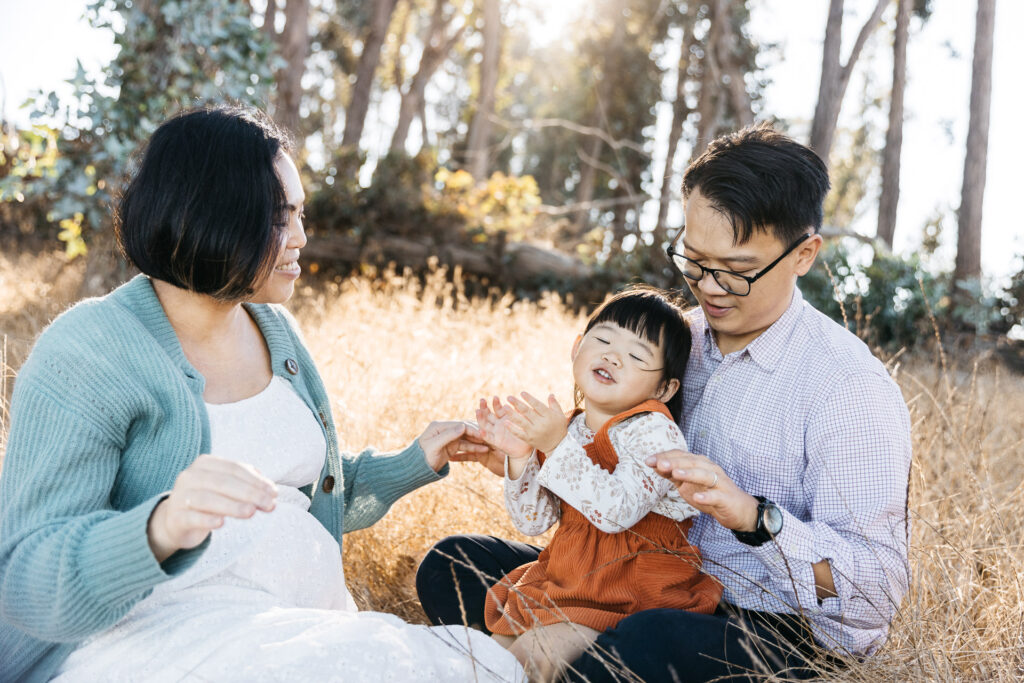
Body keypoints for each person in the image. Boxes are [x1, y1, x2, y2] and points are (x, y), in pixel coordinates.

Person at [0, 105, 522, 683]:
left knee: (466, 668)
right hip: (155, 645)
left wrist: (412, 462)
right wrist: (160, 528)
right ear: (211, 215)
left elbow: (295, 499)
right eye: (280, 217)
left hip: (301, 626)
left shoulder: (277, 333)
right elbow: (26, 576)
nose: (301, 236)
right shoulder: (90, 350)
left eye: (300, 213)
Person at [416, 124, 913, 681]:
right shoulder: (673, 342)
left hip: (767, 623)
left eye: (739, 271)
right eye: (694, 261)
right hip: (631, 577)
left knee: (647, 643)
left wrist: (754, 517)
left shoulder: (848, 387)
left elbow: (876, 593)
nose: (711, 287)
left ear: (804, 255)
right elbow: (600, 465)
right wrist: (530, 460)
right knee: (451, 566)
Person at [472, 289, 722, 681]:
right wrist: (521, 456)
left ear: (664, 389)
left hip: (629, 590)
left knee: (525, 664)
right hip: (570, 578)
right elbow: (534, 521)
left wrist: (555, 446)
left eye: (637, 355)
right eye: (603, 339)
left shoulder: (654, 431)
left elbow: (615, 512)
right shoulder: (571, 427)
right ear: (577, 348)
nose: (612, 356)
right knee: (488, 655)